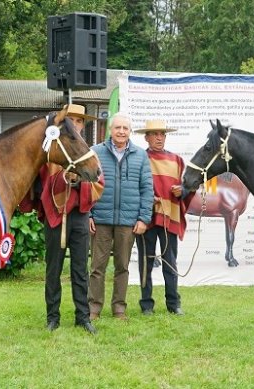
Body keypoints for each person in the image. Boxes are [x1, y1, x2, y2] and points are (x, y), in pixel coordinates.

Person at [20, 104, 104, 334]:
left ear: (83, 125)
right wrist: (61, 179)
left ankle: (83, 317)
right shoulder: (50, 153)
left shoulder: (88, 152)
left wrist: (77, 181)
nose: (75, 124)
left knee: (80, 269)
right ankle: (52, 317)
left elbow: (99, 182)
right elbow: (38, 183)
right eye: (72, 120)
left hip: (79, 217)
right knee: (53, 268)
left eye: (79, 121)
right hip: (55, 217)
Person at [88, 112, 154, 321]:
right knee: (97, 267)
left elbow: (147, 189)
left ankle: (119, 309)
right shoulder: (95, 152)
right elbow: (86, 186)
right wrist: (88, 214)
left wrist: (143, 218)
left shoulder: (140, 155)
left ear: (130, 131)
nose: (121, 132)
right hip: (100, 220)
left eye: (125, 128)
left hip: (128, 222)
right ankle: (94, 309)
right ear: (110, 129)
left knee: (122, 267)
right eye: (118, 128)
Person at [134, 119, 193, 316]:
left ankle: (174, 303)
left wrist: (182, 191)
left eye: (162, 134)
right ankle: (146, 304)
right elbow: (133, 186)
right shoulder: (139, 158)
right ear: (146, 137)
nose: (159, 138)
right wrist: (146, 198)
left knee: (170, 261)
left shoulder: (177, 160)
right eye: (155, 134)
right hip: (146, 217)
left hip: (170, 216)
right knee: (146, 261)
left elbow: (187, 186)